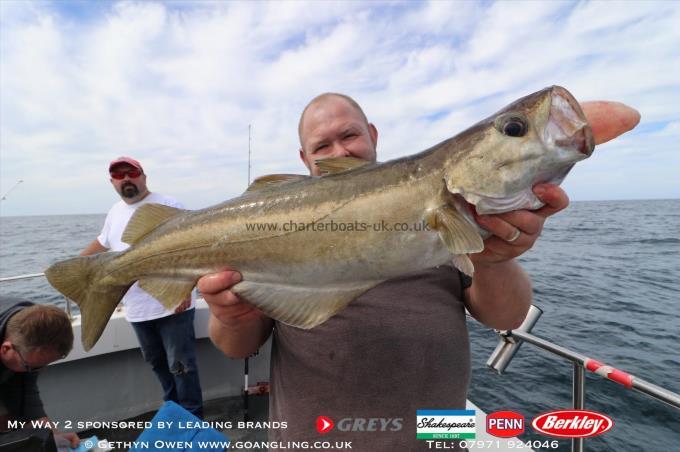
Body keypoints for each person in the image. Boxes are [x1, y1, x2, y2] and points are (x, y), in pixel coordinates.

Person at [199, 94, 639, 450]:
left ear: (371, 135)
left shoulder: (461, 214)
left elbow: (506, 317)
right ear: (304, 157)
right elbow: (236, 346)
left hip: (440, 436)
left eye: (349, 135)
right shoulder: (275, 228)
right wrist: (230, 315)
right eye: (322, 146)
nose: (340, 151)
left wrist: (495, 257)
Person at [80, 157, 203, 418]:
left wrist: (183, 290)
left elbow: (190, 250)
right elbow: (102, 243)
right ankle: (174, 415)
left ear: (143, 176)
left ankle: (194, 421)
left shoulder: (168, 204)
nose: (126, 178)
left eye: (131, 172)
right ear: (112, 182)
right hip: (136, 308)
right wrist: (75, 266)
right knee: (158, 365)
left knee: (182, 367)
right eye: (118, 175)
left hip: (172, 306)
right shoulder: (114, 211)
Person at [0, 295, 80, 449]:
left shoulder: (32, 328)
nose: (40, 371)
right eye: (34, 368)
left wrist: (50, 436)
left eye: (45, 365)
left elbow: (25, 391)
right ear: (6, 349)